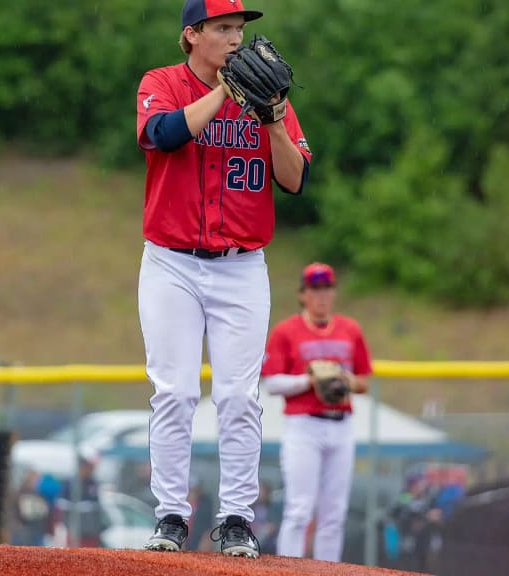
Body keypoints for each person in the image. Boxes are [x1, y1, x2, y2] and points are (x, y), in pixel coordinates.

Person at [136, 0, 310, 559]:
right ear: (193, 36)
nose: (237, 38)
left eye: (240, 29)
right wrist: (224, 95)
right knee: (176, 391)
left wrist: (275, 118)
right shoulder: (162, 82)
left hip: (241, 267)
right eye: (224, 28)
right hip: (171, 263)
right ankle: (170, 516)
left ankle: (236, 518)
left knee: (238, 396)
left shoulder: (268, 101)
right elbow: (160, 135)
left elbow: (295, 179)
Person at [260, 262, 372, 561]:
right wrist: (309, 380)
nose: (322, 296)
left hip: (341, 422)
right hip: (303, 425)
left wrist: (348, 380)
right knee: (299, 508)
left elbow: (364, 382)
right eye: (315, 289)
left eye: (327, 289)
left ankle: (327, 569)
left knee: (334, 513)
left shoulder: (350, 329)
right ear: (303, 295)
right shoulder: (286, 331)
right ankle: (289, 569)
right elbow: (271, 383)